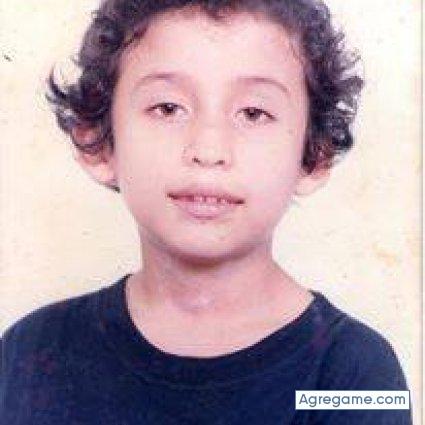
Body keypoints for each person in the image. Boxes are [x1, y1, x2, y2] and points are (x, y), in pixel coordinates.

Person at [0, 0, 412, 424]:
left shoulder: (354, 379)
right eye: (167, 109)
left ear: (314, 156)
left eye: (253, 113)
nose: (208, 149)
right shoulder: (28, 355)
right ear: (97, 142)